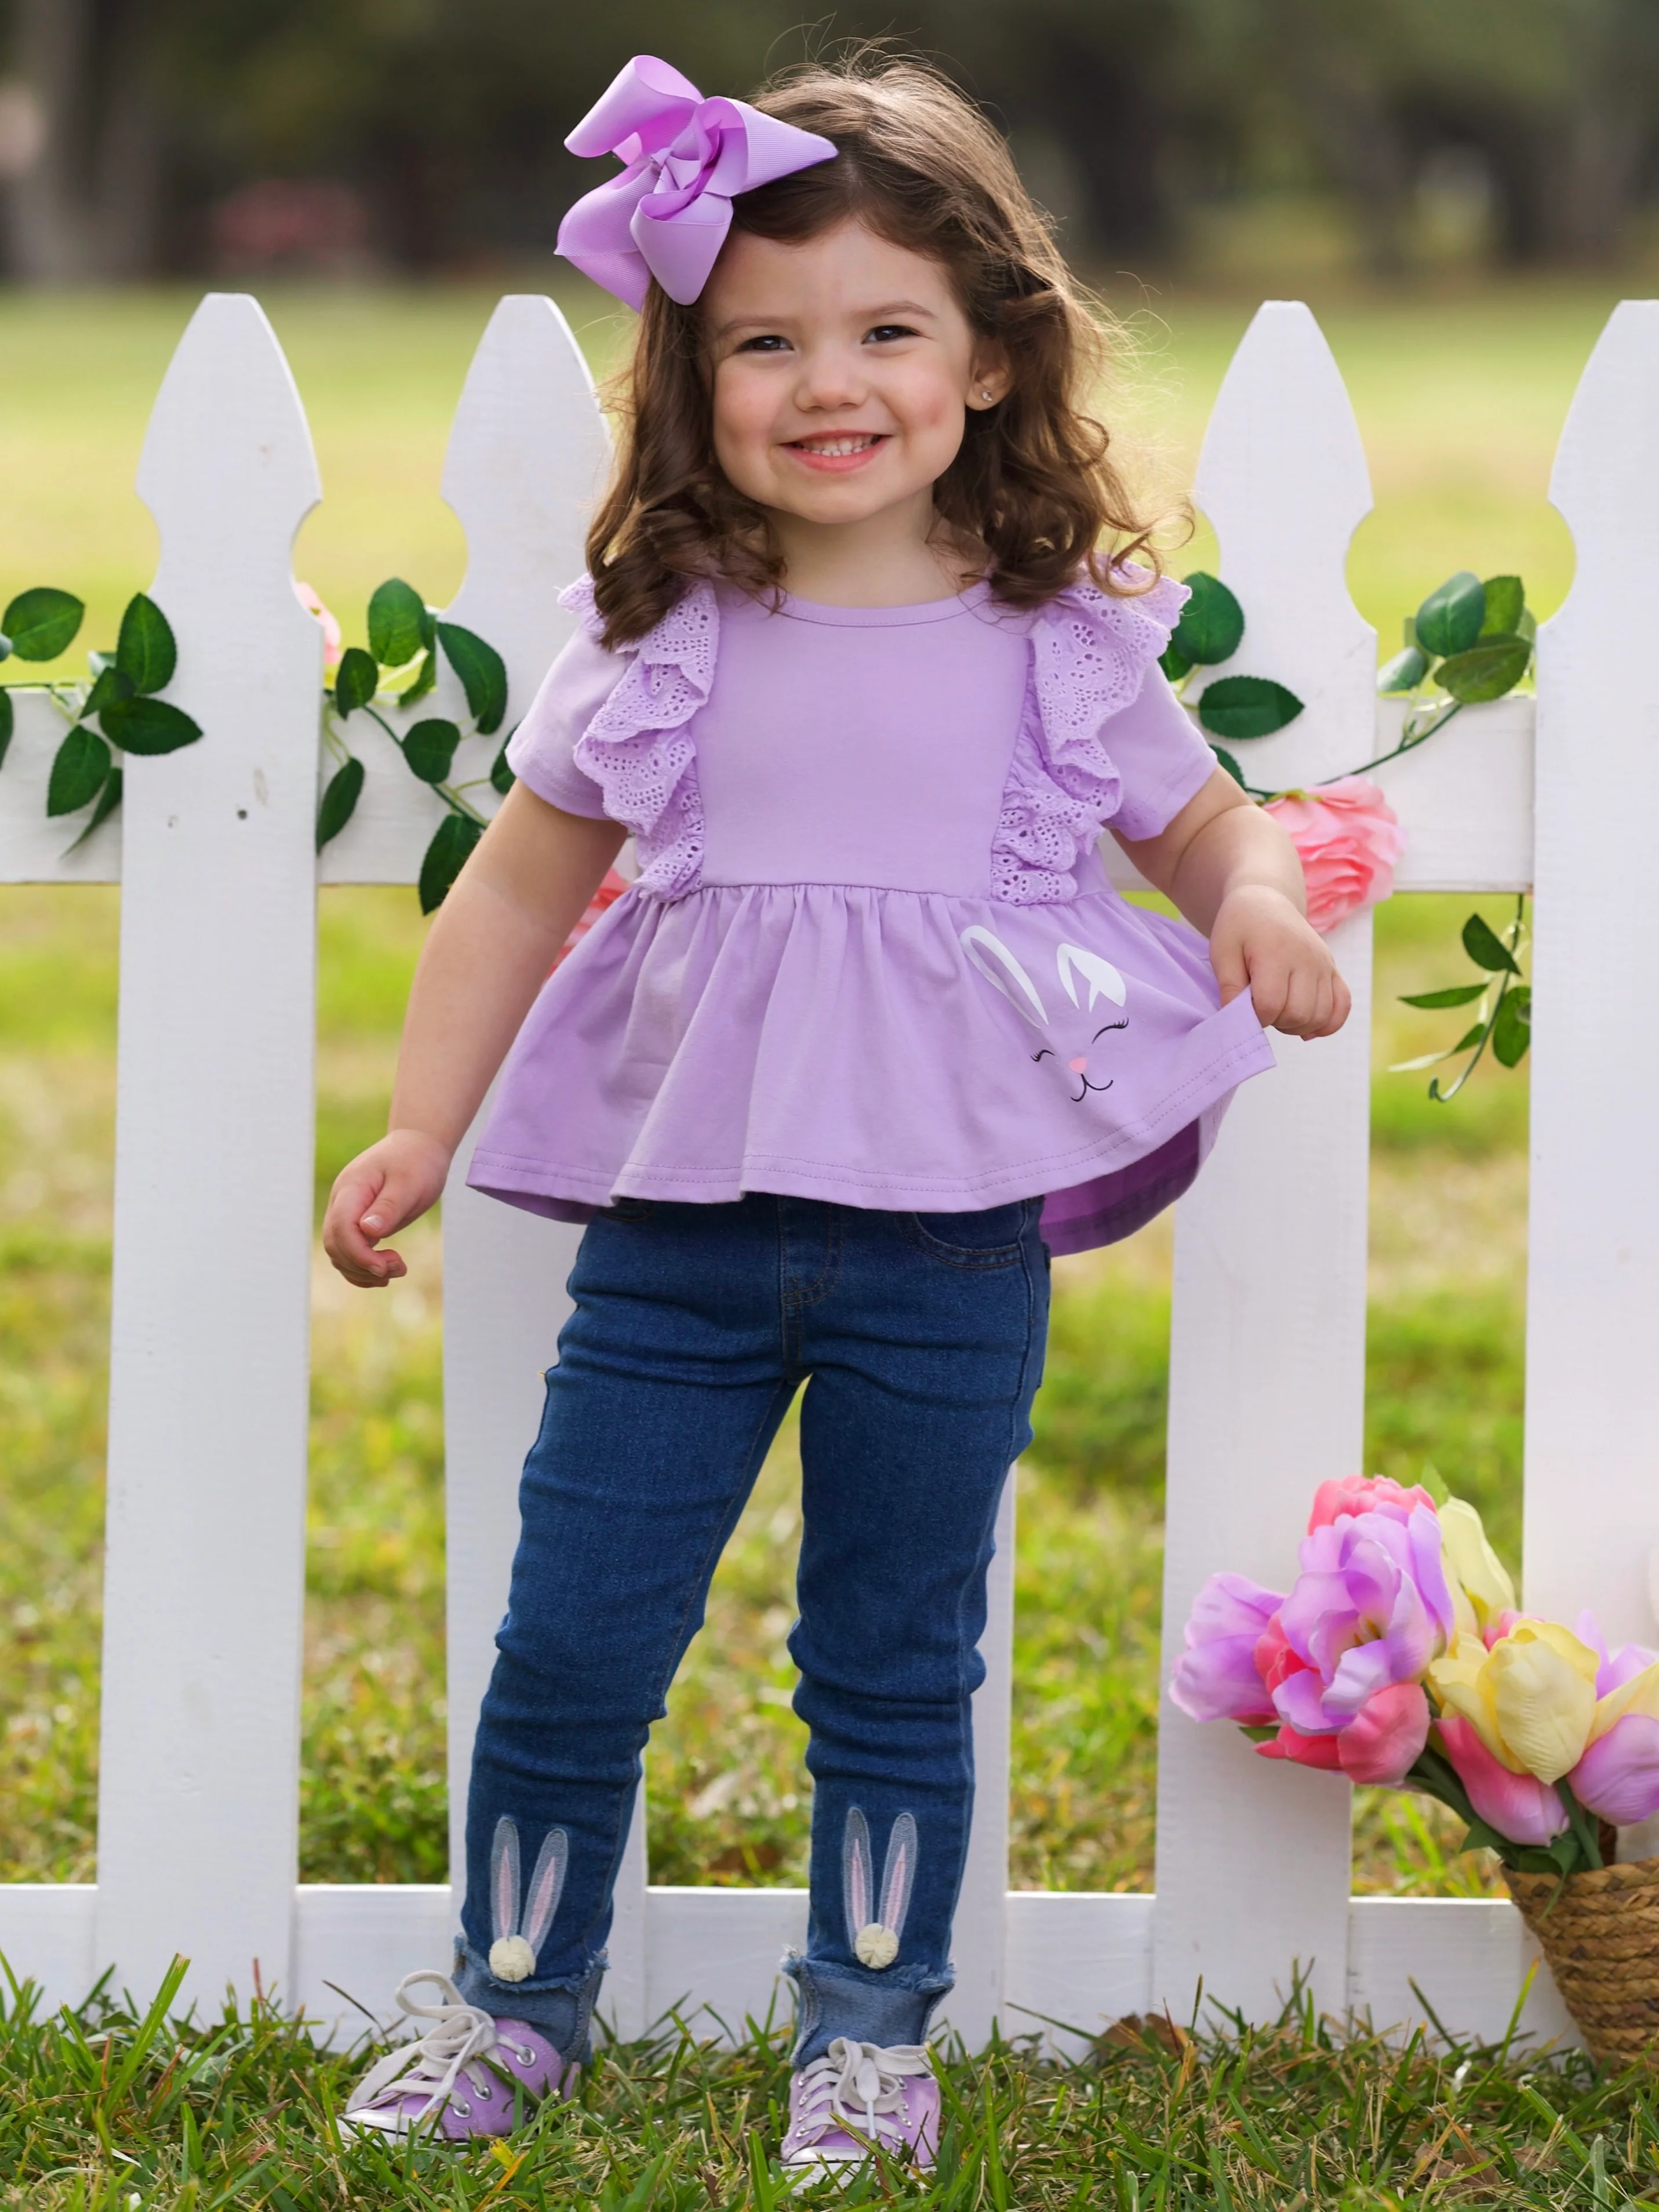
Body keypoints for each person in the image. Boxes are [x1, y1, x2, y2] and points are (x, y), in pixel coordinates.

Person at [323, 49, 1349, 2173]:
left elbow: (1203, 826)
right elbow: (514, 889)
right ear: (694, 381)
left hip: (941, 1241)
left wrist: (1258, 908)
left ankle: (865, 2031)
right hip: (676, 1240)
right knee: (572, 1637)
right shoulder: (668, 642)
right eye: (764, 342)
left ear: (986, 358)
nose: (827, 380)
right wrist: (424, 1126)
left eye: (885, 330)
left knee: (893, 1650)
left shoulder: (1056, 641)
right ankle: (514, 2003)